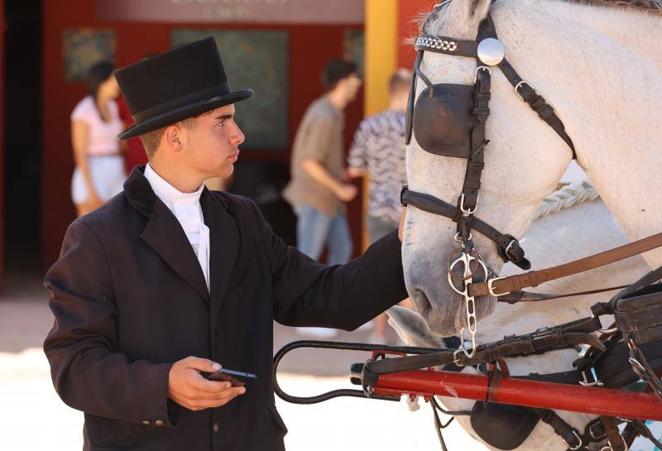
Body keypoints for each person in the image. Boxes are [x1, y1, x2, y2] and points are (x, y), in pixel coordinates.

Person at [43, 38, 408, 451]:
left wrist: (406, 242)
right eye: (223, 121)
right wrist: (161, 383)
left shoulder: (242, 219)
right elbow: (73, 365)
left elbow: (331, 296)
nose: (239, 134)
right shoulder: (98, 236)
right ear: (175, 137)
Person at [348, 69, 412, 342]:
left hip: (376, 209)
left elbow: (354, 168)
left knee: (380, 274)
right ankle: (412, 335)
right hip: (408, 212)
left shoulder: (369, 125)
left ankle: (379, 332)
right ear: (410, 91)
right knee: (408, 275)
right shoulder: (415, 126)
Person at [283, 58, 361, 266]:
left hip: (328, 200)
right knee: (307, 258)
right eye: (355, 80)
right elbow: (309, 162)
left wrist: (340, 174)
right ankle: (295, 299)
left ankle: (331, 298)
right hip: (315, 198)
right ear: (343, 83)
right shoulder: (324, 115)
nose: (358, 85)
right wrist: (340, 189)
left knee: (342, 250)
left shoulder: (332, 112)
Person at [70, 61, 124, 217]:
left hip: (116, 172)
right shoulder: (83, 111)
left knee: (116, 229)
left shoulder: (113, 107)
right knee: (89, 233)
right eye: (113, 79)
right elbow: (80, 154)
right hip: (94, 172)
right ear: (102, 82)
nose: (117, 84)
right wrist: (90, 190)